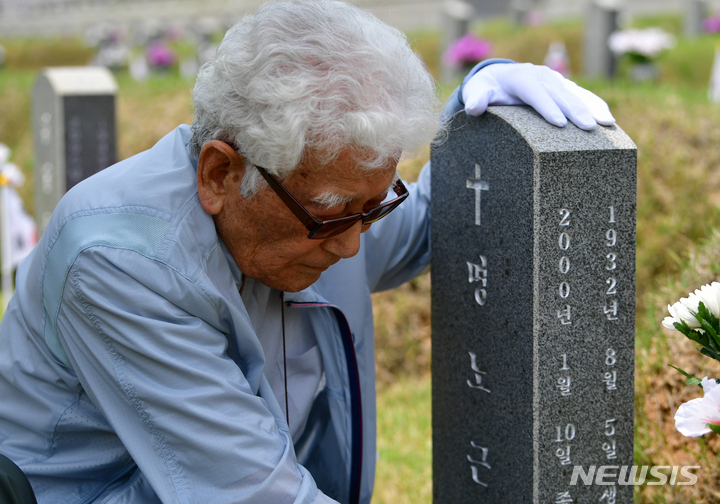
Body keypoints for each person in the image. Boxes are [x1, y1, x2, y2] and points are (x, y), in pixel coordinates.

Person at [0, 1, 614, 503]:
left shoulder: (317, 197)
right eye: (332, 215)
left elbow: (450, 223)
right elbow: (250, 492)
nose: (352, 245)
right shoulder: (120, 261)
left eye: (372, 207)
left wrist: (483, 106)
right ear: (220, 174)